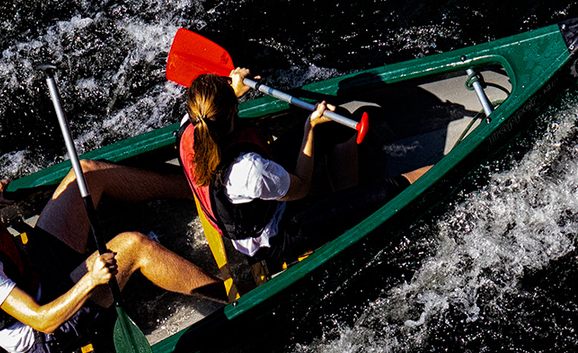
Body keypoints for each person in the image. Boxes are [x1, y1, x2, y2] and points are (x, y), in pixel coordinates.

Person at [0, 160, 220, 353]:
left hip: (34, 271)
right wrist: (91, 278)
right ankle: (234, 295)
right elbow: (43, 319)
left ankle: (199, 189)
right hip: (44, 329)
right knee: (134, 245)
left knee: (85, 174)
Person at [178, 69, 429, 267]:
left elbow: (218, 113)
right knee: (390, 189)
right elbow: (301, 186)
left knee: (335, 122)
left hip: (258, 196)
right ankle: (354, 208)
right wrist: (309, 129)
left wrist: (233, 90)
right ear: (233, 110)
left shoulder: (189, 127)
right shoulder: (246, 170)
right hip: (275, 235)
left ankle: (348, 202)